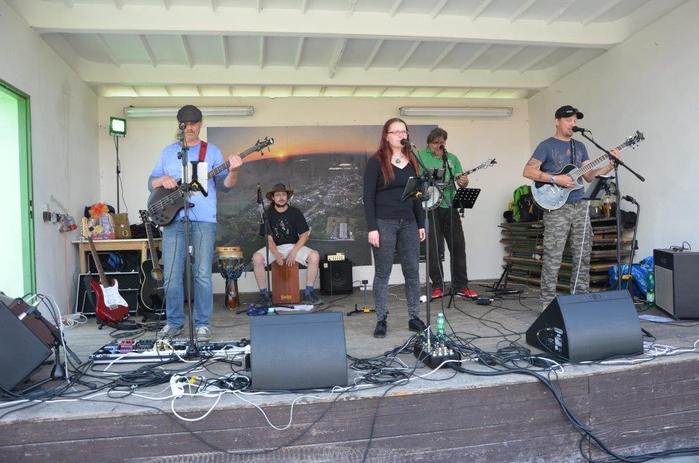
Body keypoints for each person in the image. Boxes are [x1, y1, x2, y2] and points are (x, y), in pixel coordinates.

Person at [149, 105, 242, 341]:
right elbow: (151, 182)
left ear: (200, 125)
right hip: (173, 220)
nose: (189, 127)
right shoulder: (168, 152)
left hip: (204, 219)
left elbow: (225, 185)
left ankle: (202, 324)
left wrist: (233, 171)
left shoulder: (212, 151)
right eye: (185, 124)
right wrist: (162, 179)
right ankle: (174, 322)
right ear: (180, 125)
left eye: (193, 123)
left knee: (201, 273)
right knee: (171, 274)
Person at [523, 105, 620, 309]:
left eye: (575, 120)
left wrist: (609, 165)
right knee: (553, 256)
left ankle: (580, 299)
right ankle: (548, 303)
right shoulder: (546, 146)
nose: (572, 124)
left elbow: (588, 175)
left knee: (583, 253)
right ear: (557, 121)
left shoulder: (580, 146)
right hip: (557, 208)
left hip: (580, 205)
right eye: (568, 120)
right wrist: (556, 179)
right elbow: (528, 171)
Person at [363, 118, 427, 338]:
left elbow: (417, 195)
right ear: (386, 136)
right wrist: (372, 228)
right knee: (383, 272)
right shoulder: (376, 161)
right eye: (396, 131)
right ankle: (381, 319)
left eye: (404, 131)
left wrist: (420, 224)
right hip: (384, 222)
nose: (401, 135)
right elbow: (368, 197)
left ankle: (414, 316)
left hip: (409, 222)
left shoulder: (412, 161)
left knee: (412, 271)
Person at [417, 128, 478, 301]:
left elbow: (461, 181)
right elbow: (416, 180)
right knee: (434, 248)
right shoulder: (420, 156)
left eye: (442, 142)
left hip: (449, 205)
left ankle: (461, 285)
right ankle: (438, 286)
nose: (439, 145)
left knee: (458, 245)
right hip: (430, 207)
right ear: (429, 143)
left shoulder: (452, 158)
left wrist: (463, 181)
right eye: (435, 143)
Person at [252, 183, 322, 306]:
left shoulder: (295, 212)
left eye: (283, 195)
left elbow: (304, 235)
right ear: (273, 198)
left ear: (287, 197)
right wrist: (276, 254)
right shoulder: (267, 214)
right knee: (256, 258)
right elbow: (269, 239)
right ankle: (264, 295)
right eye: (278, 195)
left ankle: (309, 292)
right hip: (275, 247)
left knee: (314, 256)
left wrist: (293, 252)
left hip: (294, 246)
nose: (281, 197)